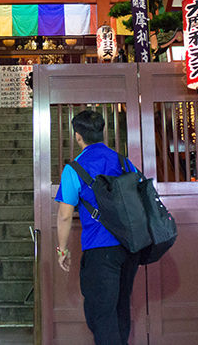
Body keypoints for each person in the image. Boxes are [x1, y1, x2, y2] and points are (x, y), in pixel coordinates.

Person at [55, 110, 141, 345]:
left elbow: (64, 215)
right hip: (130, 248)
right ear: (101, 132)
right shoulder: (124, 162)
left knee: (101, 315)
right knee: (121, 307)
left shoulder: (75, 169)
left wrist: (62, 250)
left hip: (99, 249)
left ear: (77, 136)